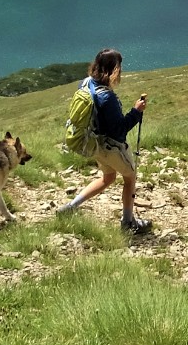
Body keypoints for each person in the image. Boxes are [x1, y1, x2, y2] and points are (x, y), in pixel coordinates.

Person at [56, 48, 151, 235]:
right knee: (130, 177)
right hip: (110, 147)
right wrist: (136, 111)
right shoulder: (107, 97)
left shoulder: (85, 83)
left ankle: (71, 206)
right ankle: (127, 222)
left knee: (108, 177)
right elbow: (119, 130)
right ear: (114, 69)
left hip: (93, 143)